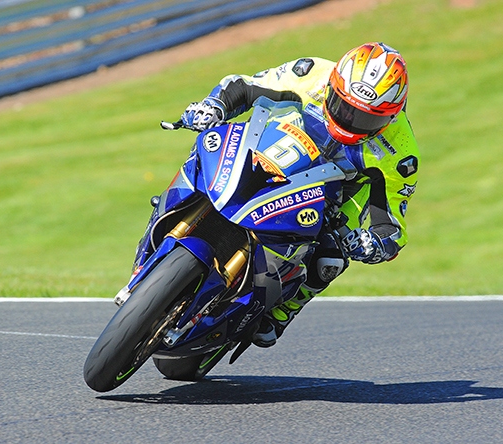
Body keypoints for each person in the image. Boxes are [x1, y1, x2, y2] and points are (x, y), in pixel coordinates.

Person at [180, 42, 420, 347]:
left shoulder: (400, 155)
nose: (348, 120)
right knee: (207, 152)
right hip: (269, 151)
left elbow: (392, 225)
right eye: (344, 106)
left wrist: (373, 244)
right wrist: (214, 105)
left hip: (331, 196)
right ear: (333, 85)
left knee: (331, 257)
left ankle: (284, 311)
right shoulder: (311, 74)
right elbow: (244, 86)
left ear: (392, 116)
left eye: (366, 119)